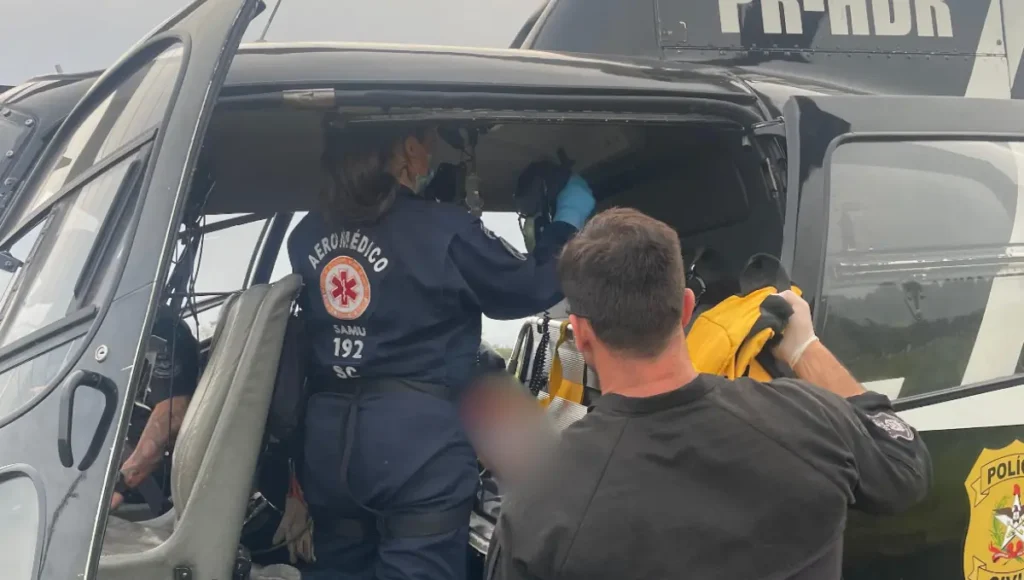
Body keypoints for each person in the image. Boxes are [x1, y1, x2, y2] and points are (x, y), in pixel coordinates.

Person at [490, 208, 932, 580]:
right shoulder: (809, 419)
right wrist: (805, 348)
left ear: (581, 335)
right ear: (686, 308)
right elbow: (905, 465)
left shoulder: (539, 505)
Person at [287, 124, 595, 580]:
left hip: (329, 447)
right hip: (415, 451)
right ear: (410, 150)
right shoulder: (442, 229)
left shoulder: (306, 234)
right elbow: (528, 287)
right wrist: (567, 224)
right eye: (429, 146)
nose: (431, 160)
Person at [111, 309, 200, 511]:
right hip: (111, 462)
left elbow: (173, 415)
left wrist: (120, 483)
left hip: (152, 481)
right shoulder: (107, 334)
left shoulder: (160, 331)